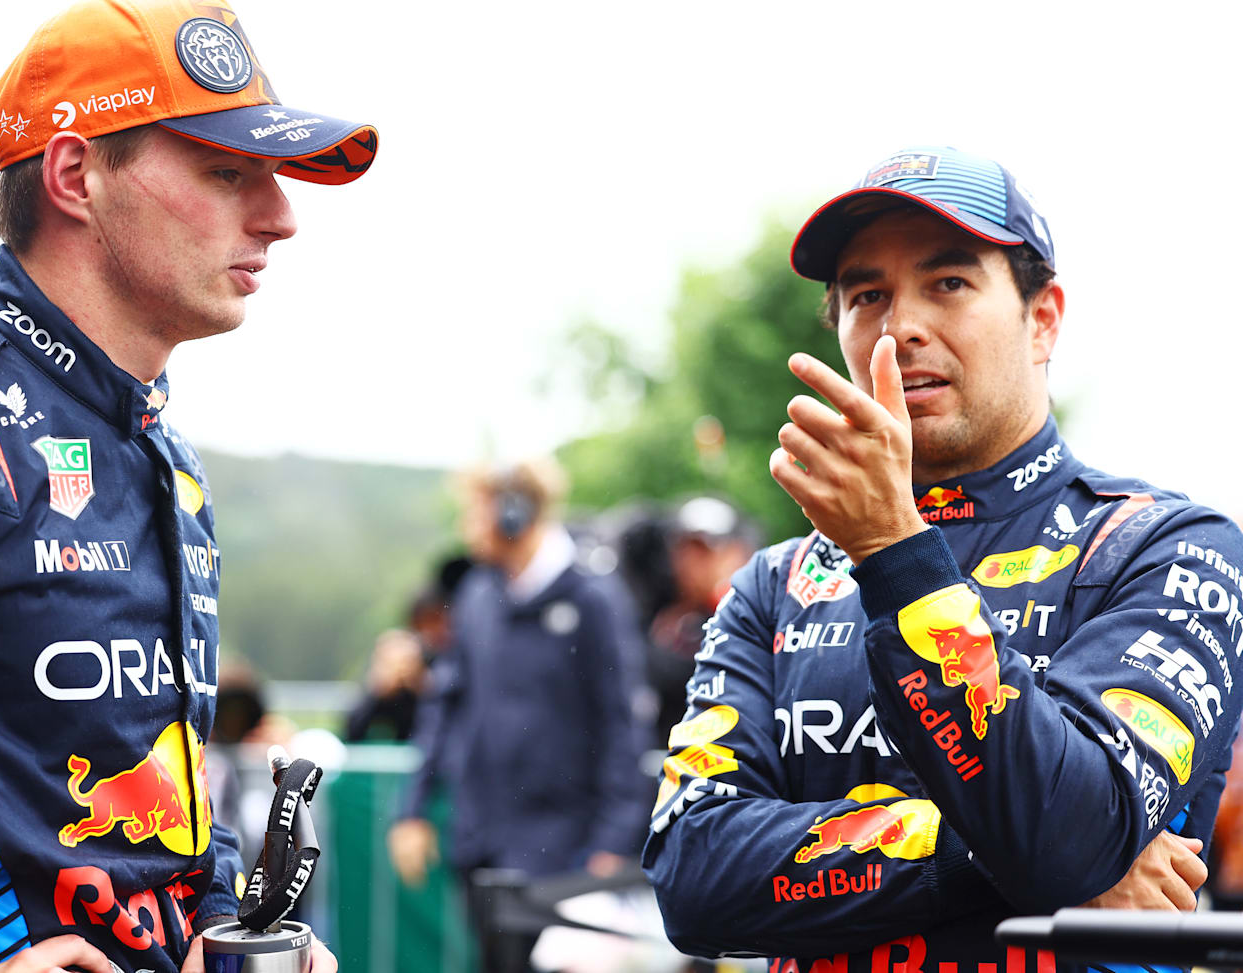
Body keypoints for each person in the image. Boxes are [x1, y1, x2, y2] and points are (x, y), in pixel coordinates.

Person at [0, 2, 376, 970]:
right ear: (77, 175)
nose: (280, 217)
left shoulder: (161, 449)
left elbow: (157, 783)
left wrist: (232, 933)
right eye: (227, 172)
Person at [643, 146, 1243, 971]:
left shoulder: (1168, 548)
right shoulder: (775, 585)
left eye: (949, 283)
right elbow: (691, 873)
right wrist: (1007, 857)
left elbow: (1069, 834)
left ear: (1043, 318)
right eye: (868, 295)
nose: (902, 326)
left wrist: (894, 549)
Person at [389, 458, 652, 970]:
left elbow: (624, 728)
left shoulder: (595, 600)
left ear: (514, 513)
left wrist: (609, 848)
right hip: (483, 851)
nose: (467, 528)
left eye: (475, 512)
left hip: (566, 859)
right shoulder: (477, 595)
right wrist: (413, 810)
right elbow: (446, 706)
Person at [646, 496, 758, 748]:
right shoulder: (666, 614)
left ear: (735, 553)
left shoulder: (749, 614)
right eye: (684, 551)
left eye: (704, 552)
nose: (689, 563)